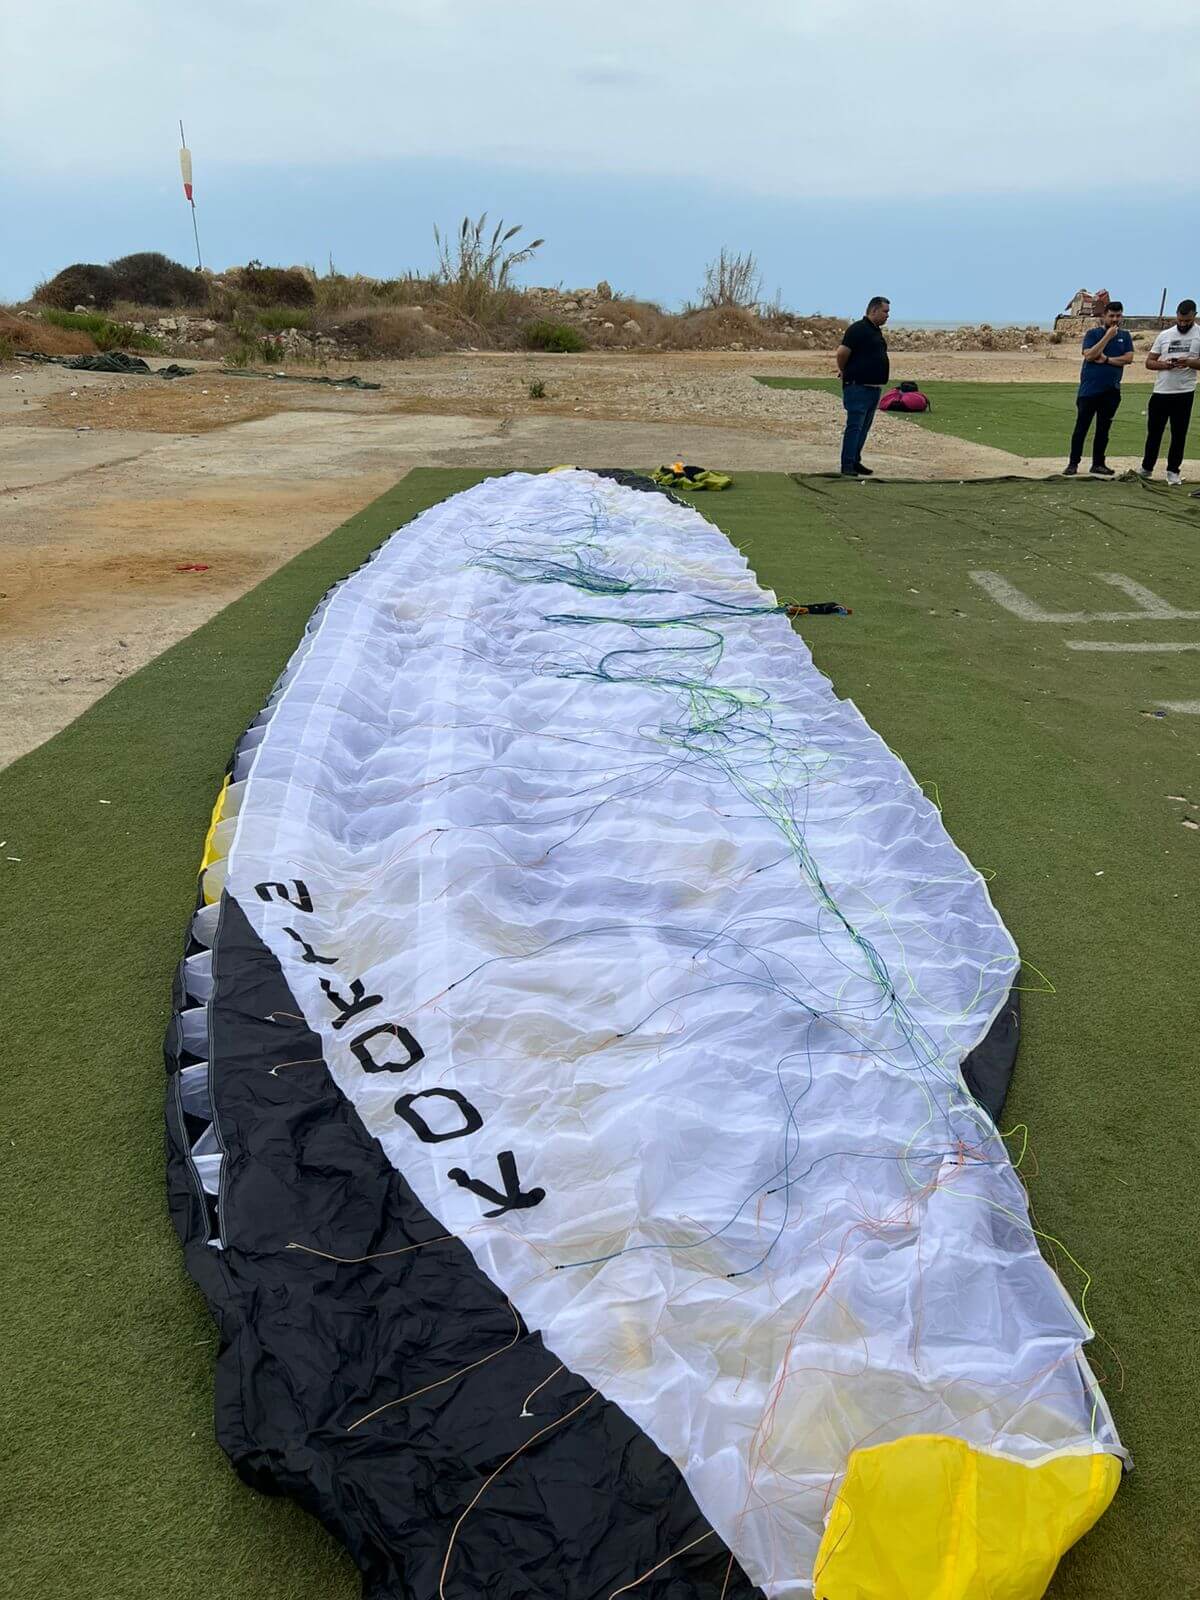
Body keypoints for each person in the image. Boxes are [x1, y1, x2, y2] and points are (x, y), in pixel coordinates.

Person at [1065, 301, 1134, 476]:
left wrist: (1107, 360)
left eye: (1118, 316)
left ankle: (1098, 463)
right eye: (1111, 316)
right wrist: (1107, 337)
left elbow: (1128, 358)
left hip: (1111, 391)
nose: (1115, 319)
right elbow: (1089, 355)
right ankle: (1073, 463)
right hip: (1089, 391)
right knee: (1081, 427)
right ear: (1104, 316)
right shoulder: (1093, 334)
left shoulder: (1125, 336)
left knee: (1103, 429)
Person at [1141, 299, 1200, 485]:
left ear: (1194, 316)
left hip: (1184, 392)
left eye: (1187, 321)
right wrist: (1164, 365)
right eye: (1180, 320)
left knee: (1179, 434)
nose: (1183, 324)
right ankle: (1146, 468)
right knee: (1154, 432)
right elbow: (1149, 362)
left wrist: (1189, 362)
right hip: (1161, 391)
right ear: (1176, 315)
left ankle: (1173, 471)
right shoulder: (1165, 335)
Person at [835, 297, 890, 476]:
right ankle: (847, 465)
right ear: (873, 310)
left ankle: (855, 460)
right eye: (885, 311)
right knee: (855, 426)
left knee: (864, 427)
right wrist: (844, 371)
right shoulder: (857, 329)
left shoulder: (875, 331)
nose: (887, 315)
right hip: (858, 387)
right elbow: (842, 353)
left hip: (873, 387)